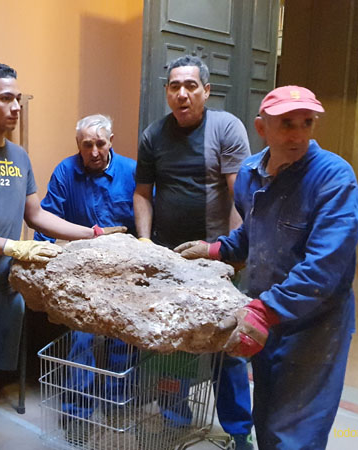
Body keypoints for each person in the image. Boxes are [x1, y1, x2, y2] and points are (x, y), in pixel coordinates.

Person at [0, 62, 124, 450]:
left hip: (6, 287)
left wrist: (92, 234)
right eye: (6, 98)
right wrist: (11, 246)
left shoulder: (19, 157)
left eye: (17, 97)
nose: (16, 106)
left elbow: (36, 215)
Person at [175, 85, 358, 449]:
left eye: (306, 123)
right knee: (268, 419)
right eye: (286, 124)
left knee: (296, 432)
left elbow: (325, 266)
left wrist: (264, 311)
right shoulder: (249, 172)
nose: (298, 134)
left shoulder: (333, 178)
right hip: (265, 315)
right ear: (262, 128)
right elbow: (254, 233)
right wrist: (215, 249)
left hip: (315, 325)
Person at [133, 55, 254, 447]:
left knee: (229, 345)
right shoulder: (153, 135)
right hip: (171, 259)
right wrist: (147, 243)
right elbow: (142, 194)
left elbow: (241, 194)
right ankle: (174, 417)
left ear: (206, 90)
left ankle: (239, 431)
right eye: (173, 86)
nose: (181, 93)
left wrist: (233, 252)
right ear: (167, 91)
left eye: (190, 85)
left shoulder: (225, 128)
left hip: (218, 257)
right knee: (173, 344)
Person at [33, 114, 137, 426]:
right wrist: (39, 256)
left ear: (111, 141)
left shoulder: (131, 172)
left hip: (125, 269)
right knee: (81, 338)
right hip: (85, 271)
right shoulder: (66, 171)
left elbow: (149, 215)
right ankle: (78, 410)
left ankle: (117, 398)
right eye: (86, 145)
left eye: (100, 144)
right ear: (78, 145)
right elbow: (47, 216)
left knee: (125, 334)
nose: (93, 151)